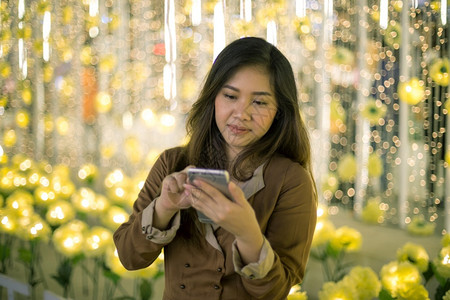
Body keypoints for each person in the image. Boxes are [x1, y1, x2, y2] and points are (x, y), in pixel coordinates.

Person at [113, 36, 317, 300]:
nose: (241, 113)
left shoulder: (291, 180)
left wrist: (247, 233)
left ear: (280, 110)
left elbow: (276, 292)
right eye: (231, 96)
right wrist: (164, 207)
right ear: (213, 98)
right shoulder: (172, 164)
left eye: (260, 102)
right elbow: (129, 257)